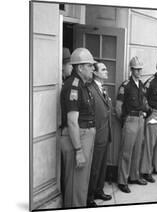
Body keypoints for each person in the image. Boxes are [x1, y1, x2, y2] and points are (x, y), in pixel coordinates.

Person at [60, 48, 96, 207]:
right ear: (80, 67)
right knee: (76, 183)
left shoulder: (83, 84)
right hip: (78, 137)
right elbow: (72, 121)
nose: (93, 68)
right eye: (90, 65)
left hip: (84, 135)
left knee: (81, 183)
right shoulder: (73, 86)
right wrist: (78, 151)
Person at [116, 56, 148, 193]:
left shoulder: (141, 85)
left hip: (140, 119)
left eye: (140, 69)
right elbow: (118, 107)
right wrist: (124, 121)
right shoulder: (125, 86)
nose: (139, 72)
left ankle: (134, 176)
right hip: (130, 120)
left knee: (137, 150)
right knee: (126, 152)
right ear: (131, 69)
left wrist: (145, 113)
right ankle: (122, 180)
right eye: (136, 69)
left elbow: (144, 103)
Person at [87, 62, 112, 206]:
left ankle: (99, 190)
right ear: (95, 73)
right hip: (96, 134)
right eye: (103, 69)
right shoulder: (90, 89)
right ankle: (89, 196)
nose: (106, 71)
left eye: (106, 68)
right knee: (94, 167)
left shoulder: (103, 88)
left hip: (106, 132)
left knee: (103, 166)